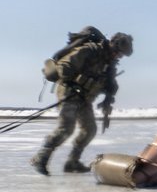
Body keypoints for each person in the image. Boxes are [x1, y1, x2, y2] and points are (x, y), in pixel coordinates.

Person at [30, 31, 134, 175]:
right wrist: (76, 84)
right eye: (117, 52)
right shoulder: (89, 50)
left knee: (89, 130)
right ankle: (40, 158)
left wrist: (108, 97)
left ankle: (72, 162)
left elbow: (111, 85)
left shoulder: (109, 63)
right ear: (112, 45)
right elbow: (64, 67)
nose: (118, 56)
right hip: (68, 92)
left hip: (84, 98)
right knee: (66, 129)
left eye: (121, 55)